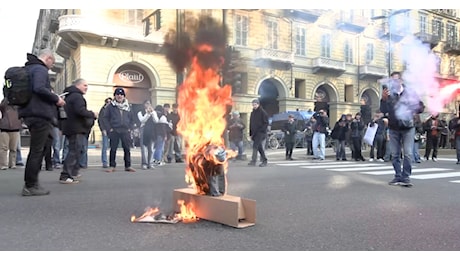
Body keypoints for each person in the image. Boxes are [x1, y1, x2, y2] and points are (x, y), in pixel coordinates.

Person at [19, 49, 66, 196]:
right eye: (52, 62)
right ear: (48, 58)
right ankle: (30, 185)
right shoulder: (40, 69)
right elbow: (39, 88)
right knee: (37, 150)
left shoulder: (29, 68)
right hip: (39, 114)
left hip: (30, 113)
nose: (52, 66)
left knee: (41, 148)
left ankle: (33, 183)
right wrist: (56, 99)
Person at [380, 71, 424, 187]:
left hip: (408, 127)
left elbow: (420, 108)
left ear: (401, 81)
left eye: (396, 80)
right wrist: (383, 99)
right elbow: (384, 110)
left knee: (408, 153)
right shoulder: (389, 95)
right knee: (395, 154)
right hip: (394, 127)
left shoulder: (409, 92)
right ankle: (397, 176)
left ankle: (406, 177)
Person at [58, 79, 98, 184]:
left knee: (76, 151)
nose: (86, 87)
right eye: (84, 85)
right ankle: (65, 175)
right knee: (74, 151)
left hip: (71, 127)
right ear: (78, 85)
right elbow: (80, 111)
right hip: (76, 128)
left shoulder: (70, 96)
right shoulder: (77, 97)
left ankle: (74, 172)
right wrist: (92, 114)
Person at [102, 87, 136, 173]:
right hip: (115, 130)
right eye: (117, 94)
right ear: (115, 96)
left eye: (121, 94)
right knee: (113, 149)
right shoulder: (110, 106)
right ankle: (112, 166)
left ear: (124, 96)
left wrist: (130, 128)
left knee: (127, 149)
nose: (119, 96)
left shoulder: (128, 107)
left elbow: (132, 119)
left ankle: (128, 166)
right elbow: (105, 118)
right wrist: (109, 128)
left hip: (125, 130)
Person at [0, 98, 22, 170]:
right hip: (4, 128)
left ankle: (12, 164)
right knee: (4, 147)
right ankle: (3, 164)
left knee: (13, 148)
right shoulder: (4, 104)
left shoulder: (18, 105)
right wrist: (7, 97)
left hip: (15, 128)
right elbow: (2, 106)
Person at [137, 100, 158, 169]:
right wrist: (148, 114)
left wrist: (152, 113)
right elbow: (142, 120)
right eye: (146, 103)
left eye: (149, 103)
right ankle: (144, 163)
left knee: (151, 148)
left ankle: (150, 163)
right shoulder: (140, 112)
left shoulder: (153, 112)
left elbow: (156, 120)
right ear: (144, 105)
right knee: (144, 148)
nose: (148, 105)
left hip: (152, 130)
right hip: (144, 130)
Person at [248, 98, 269, 167]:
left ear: (258, 104)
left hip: (260, 133)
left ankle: (254, 161)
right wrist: (250, 134)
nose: (254, 106)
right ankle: (264, 160)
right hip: (254, 133)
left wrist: (262, 130)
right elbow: (251, 123)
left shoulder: (263, 112)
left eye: (255, 105)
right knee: (259, 147)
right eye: (253, 105)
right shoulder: (252, 113)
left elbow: (266, 123)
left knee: (255, 146)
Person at [98, 97, 112, 168]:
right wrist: (103, 129)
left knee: (112, 147)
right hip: (105, 130)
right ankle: (105, 162)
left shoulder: (112, 110)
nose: (109, 103)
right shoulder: (103, 110)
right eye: (108, 102)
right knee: (105, 146)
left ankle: (112, 162)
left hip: (112, 130)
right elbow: (100, 120)